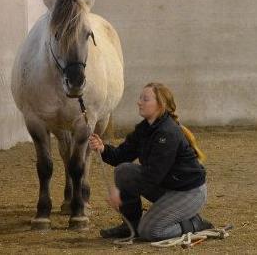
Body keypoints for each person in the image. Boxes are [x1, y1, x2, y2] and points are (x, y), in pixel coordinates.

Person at [88, 82, 213, 242]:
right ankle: (130, 226)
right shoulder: (145, 128)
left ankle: (194, 223)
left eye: (145, 99)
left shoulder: (167, 133)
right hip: (168, 186)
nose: (139, 102)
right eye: (140, 98)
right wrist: (103, 148)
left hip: (188, 192)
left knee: (150, 231)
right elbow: (121, 155)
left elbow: (152, 177)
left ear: (160, 105)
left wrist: (118, 196)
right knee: (124, 171)